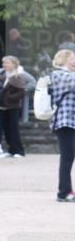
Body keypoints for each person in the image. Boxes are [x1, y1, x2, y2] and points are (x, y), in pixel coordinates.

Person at [49, 49, 75, 202]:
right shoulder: (59, 75)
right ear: (64, 60)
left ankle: (66, 190)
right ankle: (63, 192)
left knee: (69, 157)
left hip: (71, 120)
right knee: (67, 157)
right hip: (64, 121)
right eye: (72, 58)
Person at [0, 55, 35, 158]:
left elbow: (28, 85)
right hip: (3, 105)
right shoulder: (3, 73)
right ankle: (11, 149)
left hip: (13, 105)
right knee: (7, 128)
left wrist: (12, 96)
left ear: (14, 64)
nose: (4, 65)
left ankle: (18, 150)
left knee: (13, 128)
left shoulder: (19, 75)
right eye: (4, 63)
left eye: (7, 63)